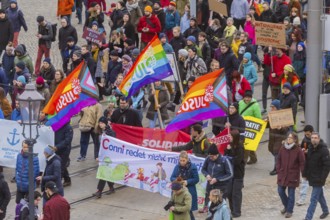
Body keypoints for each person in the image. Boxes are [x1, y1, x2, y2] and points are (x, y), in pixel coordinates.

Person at [277, 132, 305, 218]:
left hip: (293, 175)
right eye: (288, 137)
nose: (288, 139)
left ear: (295, 140)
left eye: (290, 138)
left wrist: (303, 173)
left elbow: (302, 162)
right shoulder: (282, 148)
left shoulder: (298, 150)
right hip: (282, 174)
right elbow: (278, 160)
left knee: (291, 193)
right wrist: (278, 170)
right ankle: (286, 206)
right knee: (280, 191)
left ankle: (289, 210)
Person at [303, 132, 330, 220]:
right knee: (319, 195)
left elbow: (327, 166)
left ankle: (308, 218)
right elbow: (307, 162)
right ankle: (325, 211)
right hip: (312, 176)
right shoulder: (310, 148)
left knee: (313, 199)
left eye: (315, 138)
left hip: (319, 178)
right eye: (312, 138)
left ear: (319, 139)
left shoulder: (324, 150)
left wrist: (322, 179)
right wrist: (305, 174)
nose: (314, 139)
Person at [200, 144, 233, 213]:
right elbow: (203, 169)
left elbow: (230, 174)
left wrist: (217, 179)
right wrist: (207, 175)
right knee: (208, 197)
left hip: (221, 186)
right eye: (209, 156)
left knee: (219, 204)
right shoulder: (208, 159)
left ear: (217, 154)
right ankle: (207, 207)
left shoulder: (224, 160)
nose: (210, 158)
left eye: (212, 156)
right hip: (210, 184)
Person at [170, 151, 199, 220]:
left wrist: (187, 181)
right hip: (178, 191)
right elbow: (172, 177)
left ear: (187, 159)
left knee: (188, 211)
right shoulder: (177, 167)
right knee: (178, 210)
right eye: (180, 160)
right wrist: (178, 180)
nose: (182, 162)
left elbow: (196, 179)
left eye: (184, 160)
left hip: (189, 191)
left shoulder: (193, 167)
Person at [92, 116, 116, 198]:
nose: (100, 124)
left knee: (103, 172)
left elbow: (113, 144)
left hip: (108, 156)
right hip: (101, 155)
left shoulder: (111, 132)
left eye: (102, 123)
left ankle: (99, 191)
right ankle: (111, 187)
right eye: (99, 123)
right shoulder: (97, 132)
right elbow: (96, 145)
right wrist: (96, 156)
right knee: (106, 172)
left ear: (105, 124)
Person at [224, 130, 245, 218]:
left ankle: (237, 211)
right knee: (229, 193)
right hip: (230, 174)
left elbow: (237, 161)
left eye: (231, 137)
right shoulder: (229, 146)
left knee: (236, 193)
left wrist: (230, 152)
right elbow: (225, 157)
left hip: (238, 173)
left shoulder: (240, 147)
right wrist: (228, 150)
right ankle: (232, 210)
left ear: (235, 137)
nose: (229, 138)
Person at [238, 90, 261, 164]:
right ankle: (253, 158)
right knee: (248, 144)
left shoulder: (255, 105)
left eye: (249, 98)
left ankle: (243, 162)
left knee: (246, 145)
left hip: (251, 128)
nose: (247, 99)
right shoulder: (240, 103)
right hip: (242, 127)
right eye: (246, 97)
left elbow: (258, 118)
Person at [267, 99, 288, 175]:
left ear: (277, 107)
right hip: (272, 139)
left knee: (276, 154)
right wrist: (266, 122)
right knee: (274, 153)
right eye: (271, 107)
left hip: (279, 139)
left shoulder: (282, 116)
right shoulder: (270, 115)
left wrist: (281, 128)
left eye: (273, 107)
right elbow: (268, 126)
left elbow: (286, 130)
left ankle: (276, 169)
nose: (271, 109)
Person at [296, 125, 313, 206]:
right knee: (304, 182)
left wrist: (309, 152)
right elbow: (302, 147)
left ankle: (320, 197)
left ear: (312, 132)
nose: (307, 135)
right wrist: (302, 150)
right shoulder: (305, 139)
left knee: (318, 184)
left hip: (314, 165)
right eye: (305, 134)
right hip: (306, 164)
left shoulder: (317, 140)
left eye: (308, 134)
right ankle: (302, 199)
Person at [54, 122, 73, 187]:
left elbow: (67, 141)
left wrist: (57, 147)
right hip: (56, 149)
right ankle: (67, 179)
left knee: (60, 167)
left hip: (64, 150)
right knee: (62, 165)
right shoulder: (56, 125)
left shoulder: (68, 128)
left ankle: (57, 185)